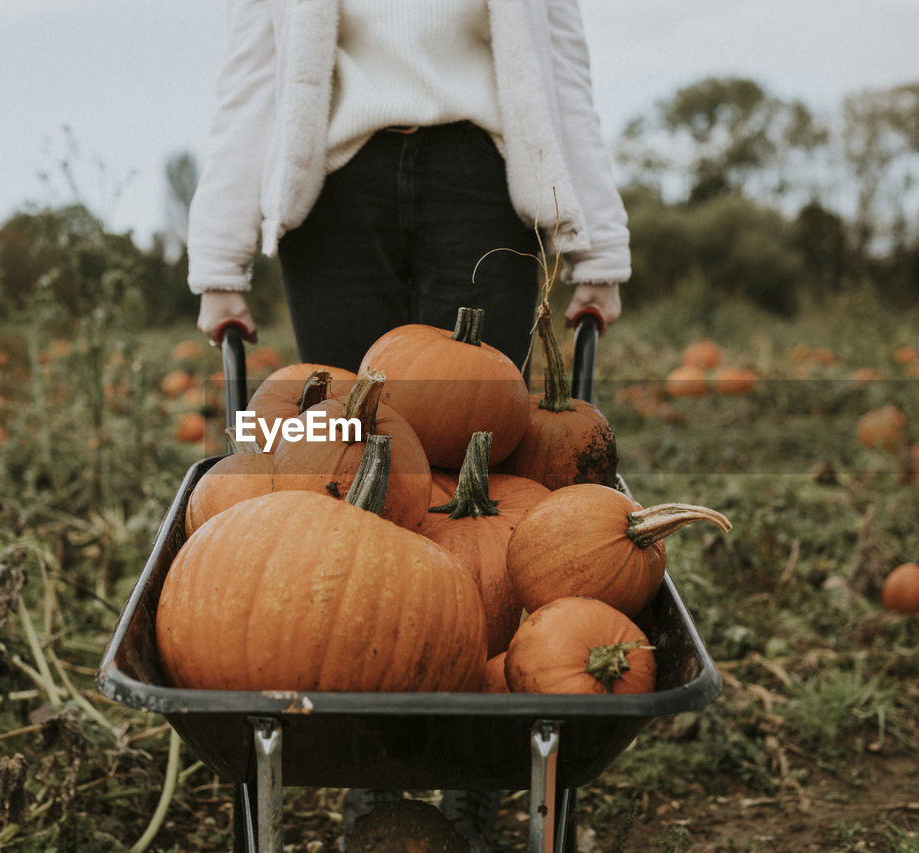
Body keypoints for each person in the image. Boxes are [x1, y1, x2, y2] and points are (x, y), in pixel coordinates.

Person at [185, 1, 631, 848]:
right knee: (342, 476)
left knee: (482, 483)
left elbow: (563, 66)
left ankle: (477, 754)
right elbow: (251, 74)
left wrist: (598, 243)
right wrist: (220, 257)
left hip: (485, 180)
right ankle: (373, 758)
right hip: (332, 189)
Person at [187, 0, 631, 373]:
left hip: (482, 185)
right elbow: (251, 84)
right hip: (335, 191)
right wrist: (219, 266)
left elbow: (565, 81)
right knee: (347, 429)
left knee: (482, 432)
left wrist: (600, 256)